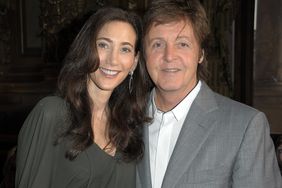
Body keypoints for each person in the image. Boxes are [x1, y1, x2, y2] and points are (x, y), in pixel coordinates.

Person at [136, 0, 282, 188]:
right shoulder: (124, 119)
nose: (169, 55)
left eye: (182, 44)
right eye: (157, 44)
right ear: (143, 54)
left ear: (201, 54)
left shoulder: (246, 127)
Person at [16, 7, 150, 188]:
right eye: (103, 45)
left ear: (134, 62)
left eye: (125, 49)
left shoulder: (130, 126)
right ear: (86, 49)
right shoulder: (51, 114)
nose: (113, 60)